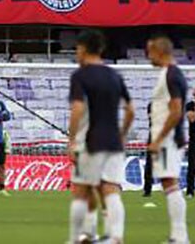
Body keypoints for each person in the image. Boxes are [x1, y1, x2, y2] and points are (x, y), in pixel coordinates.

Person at [67, 31, 133, 244]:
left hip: (90, 141)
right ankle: (116, 237)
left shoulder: (81, 75)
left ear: (84, 49)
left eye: (77, 48)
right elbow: (130, 109)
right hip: (113, 141)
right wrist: (122, 135)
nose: (76, 53)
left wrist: (71, 139)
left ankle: (78, 237)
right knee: (111, 189)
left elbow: (77, 108)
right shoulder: (115, 75)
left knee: (80, 190)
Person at [146, 37, 188, 244]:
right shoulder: (168, 74)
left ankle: (180, 237)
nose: (148, 56)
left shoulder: (172, 74)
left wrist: (159, 138)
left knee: (170, 181)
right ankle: (178, 236)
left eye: (150, 52)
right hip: (167, 138)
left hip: (168, 139)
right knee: (168, 182)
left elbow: (176, 110)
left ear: (159, 51)